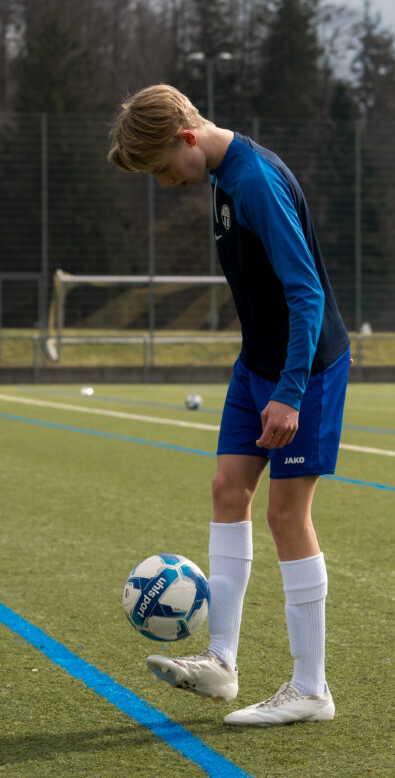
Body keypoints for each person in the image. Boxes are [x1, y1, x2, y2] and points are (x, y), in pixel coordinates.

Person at [108, 84, 351, 727]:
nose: (165, 184)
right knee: (226, 489)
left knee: (285, 514)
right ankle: (221, 661)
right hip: (256, 366)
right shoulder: (219, 177)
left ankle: (311, 688)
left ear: (188, 138)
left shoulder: (254, 182)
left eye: (163, 168)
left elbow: (307, 295)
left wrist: (290, 393)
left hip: (307, 368)